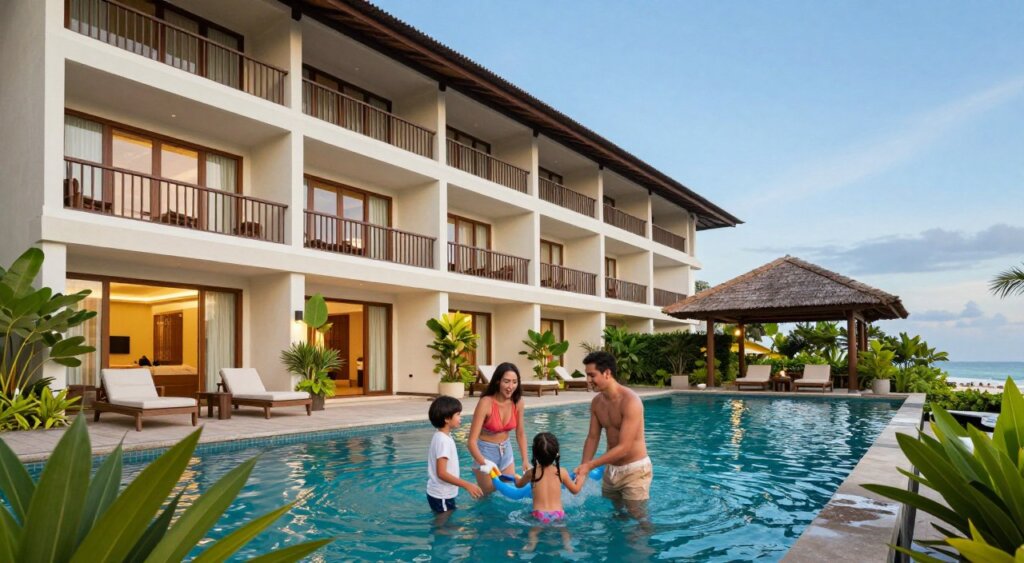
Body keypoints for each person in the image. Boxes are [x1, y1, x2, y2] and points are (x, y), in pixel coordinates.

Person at [574, 350, 652, 519]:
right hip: (611, 470)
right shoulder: (597, 403)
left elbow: (625, 447)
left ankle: (645, 544)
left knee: (639, 518)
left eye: (591, 375)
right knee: (616, 516)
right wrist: (582, 470)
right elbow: (592, 438)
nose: (588, 380)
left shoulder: (631, 401)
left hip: (635, 470)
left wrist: (590, 466)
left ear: (607, 373)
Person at [468, 362, 529, 494]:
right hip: (485, 452)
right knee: (487, 495)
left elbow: (520, 433)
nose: (510, 387)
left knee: (508, 492)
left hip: (506, 451)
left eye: (514, 382)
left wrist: (525, 460)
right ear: (497, 381)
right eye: (506, 382)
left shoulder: (518, 402)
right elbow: (471, 442)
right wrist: (483, 462)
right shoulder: (486, 403)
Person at [427, 396, 482, 523]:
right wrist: (467, 485)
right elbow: (441, 473)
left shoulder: (441, 435)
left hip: (440, 493)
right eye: (458, 414)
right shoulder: (443, 440)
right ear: (446, 419)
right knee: (443, 526)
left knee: (446, 519)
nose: (460, 417)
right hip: (442, 495)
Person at [515, 432, 586, 523]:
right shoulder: (561, 472)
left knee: (534, 532)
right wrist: (581, 478)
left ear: (535, 454)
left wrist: (516, 477)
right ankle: (566, 537)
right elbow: (575, 490)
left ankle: (533, 537)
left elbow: (519, 485)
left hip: (538, 514)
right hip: (558, 514)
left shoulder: (531, 473)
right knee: (564, 531)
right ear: (556, 453)